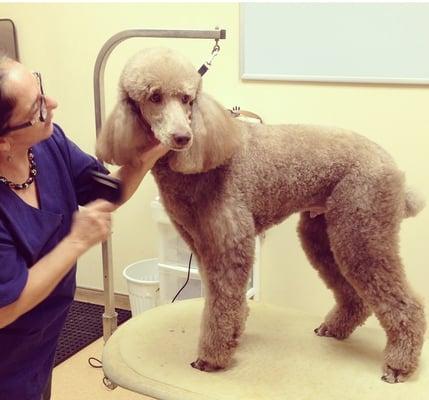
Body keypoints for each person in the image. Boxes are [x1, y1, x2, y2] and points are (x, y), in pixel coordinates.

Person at [0, 53, 168, 400]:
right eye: (37, 109)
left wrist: (146, 156)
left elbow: (104, 191)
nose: (53, 104)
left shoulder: (48, 143)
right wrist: (75, 243)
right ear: (3, 141)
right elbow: (5, 309)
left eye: (41, 89)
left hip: (39, 341)